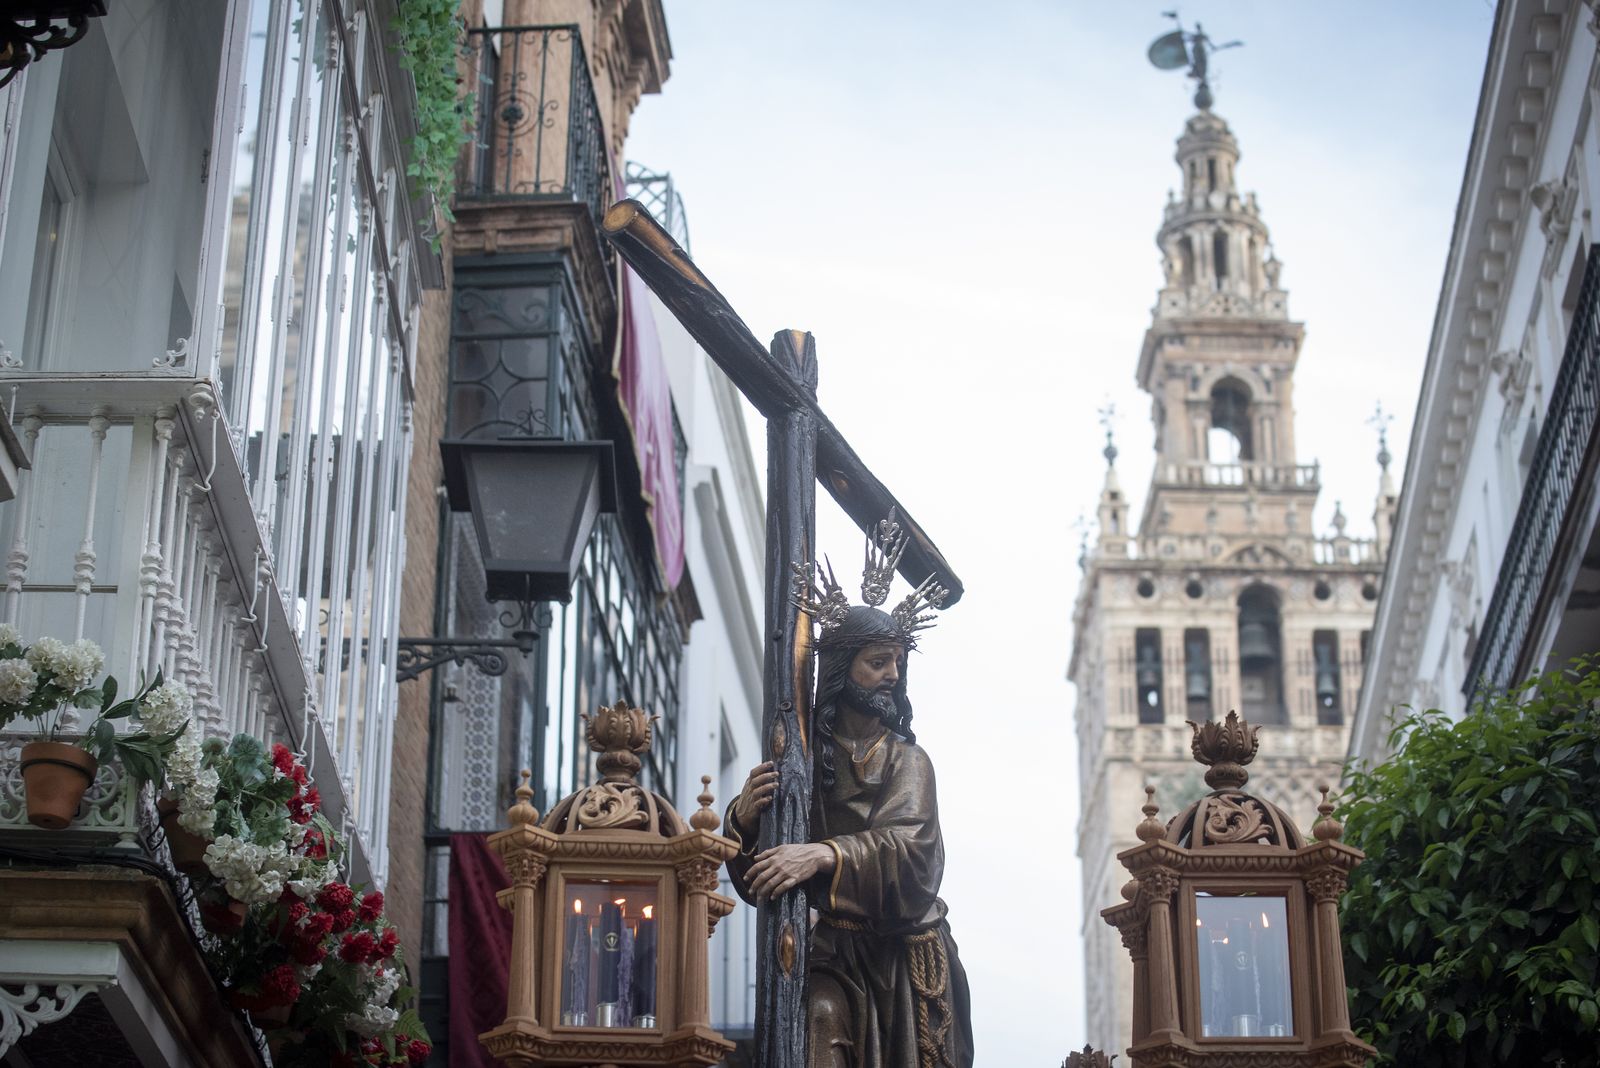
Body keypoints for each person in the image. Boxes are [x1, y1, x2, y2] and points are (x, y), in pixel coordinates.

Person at [726, 596, 974, 1068]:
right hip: (830, 951)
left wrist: (823, 855)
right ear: (842, 666)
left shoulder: (908, 760)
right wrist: (745, 819)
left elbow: (912, 851)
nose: (893, 675)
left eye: (897, 663)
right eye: (878, 663)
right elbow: (762, 879)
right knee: (818, 1015)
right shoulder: (798, 757)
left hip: (899, 955)